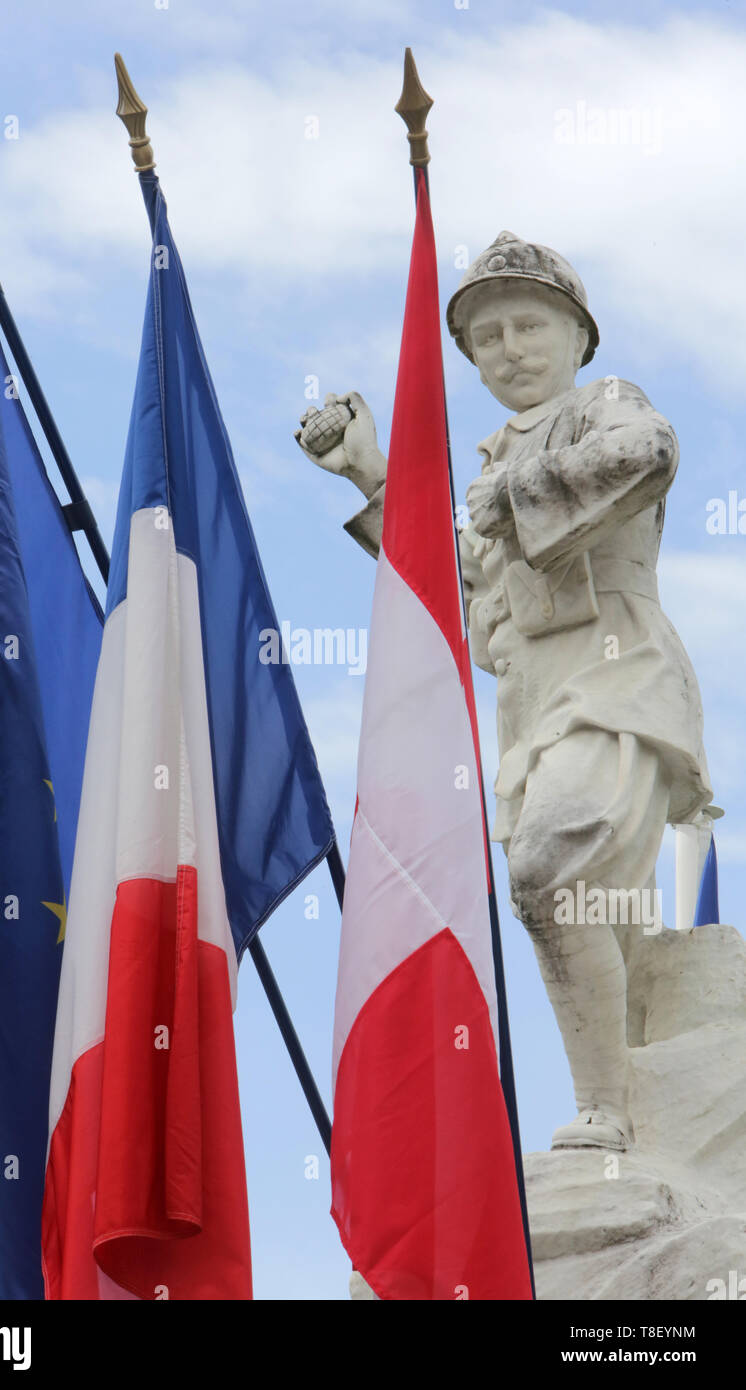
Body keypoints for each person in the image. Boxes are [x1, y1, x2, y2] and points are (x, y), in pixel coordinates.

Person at [296, 231, 714, 1151]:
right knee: (601, 921)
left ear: (579, 338)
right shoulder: (492, 464)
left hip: (619, 687)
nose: (511, 349)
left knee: (545, 871)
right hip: (535, 709)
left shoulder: (603, 404)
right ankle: (638, 1112)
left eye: (530, 325)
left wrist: (515, 489)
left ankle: (605, 1110)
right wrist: (372, 472)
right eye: (487, 338)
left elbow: (650, 450)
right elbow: (464, 599)